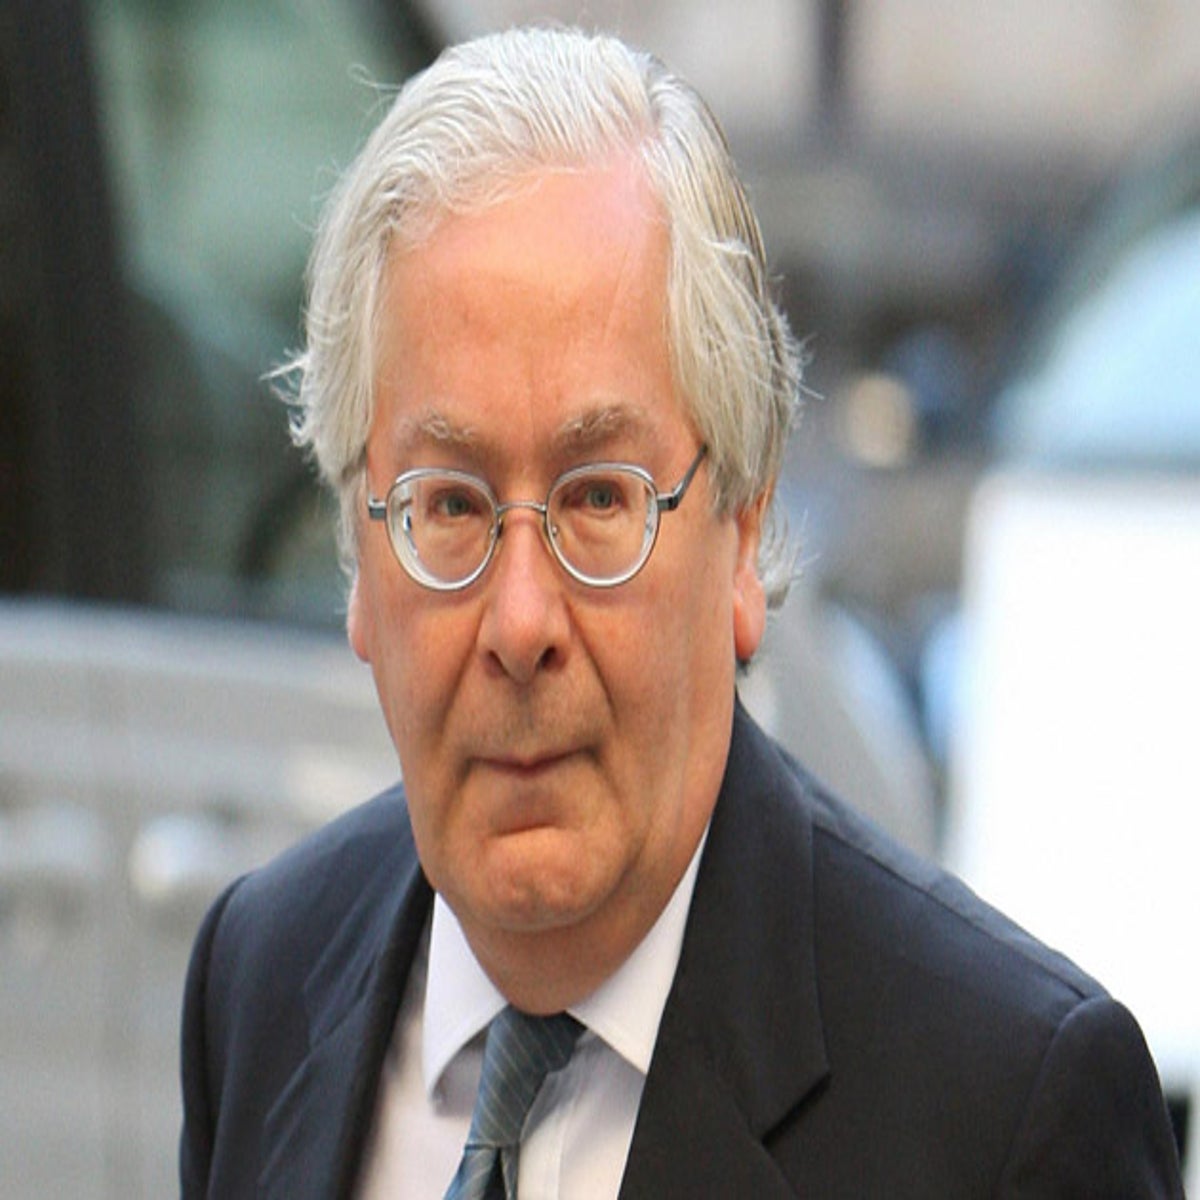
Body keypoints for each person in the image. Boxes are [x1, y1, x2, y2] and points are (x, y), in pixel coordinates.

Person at [178, 26, 1184, 1199]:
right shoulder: (263, 974)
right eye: (448, 505)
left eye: (598, 498)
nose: (520, 622)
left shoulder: (1009, 1110)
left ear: (742, 530)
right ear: (359, 557)